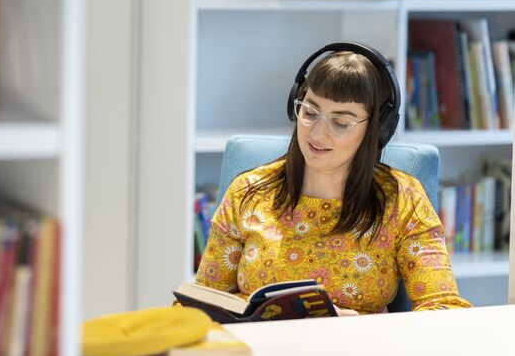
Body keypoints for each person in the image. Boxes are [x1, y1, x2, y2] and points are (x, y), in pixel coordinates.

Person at [195, 45, 472, 315]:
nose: (317, 134)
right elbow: (201, 301)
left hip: (356, 355)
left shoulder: (402, 199)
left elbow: (444, 308)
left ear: (377, 129)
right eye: (310, 112)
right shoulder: (248, 191)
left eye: (340, 123)